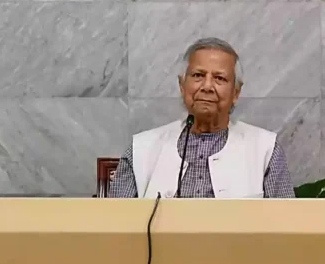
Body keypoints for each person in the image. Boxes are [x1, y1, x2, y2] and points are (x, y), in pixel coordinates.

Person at [108, 37, 295, 199]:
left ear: (236, 93)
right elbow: (115, 221)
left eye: (219, 78)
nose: (207, 86)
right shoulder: (141, 149)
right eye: (198, 75)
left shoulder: (265, 149)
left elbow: (287, 222)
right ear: (182, 86)